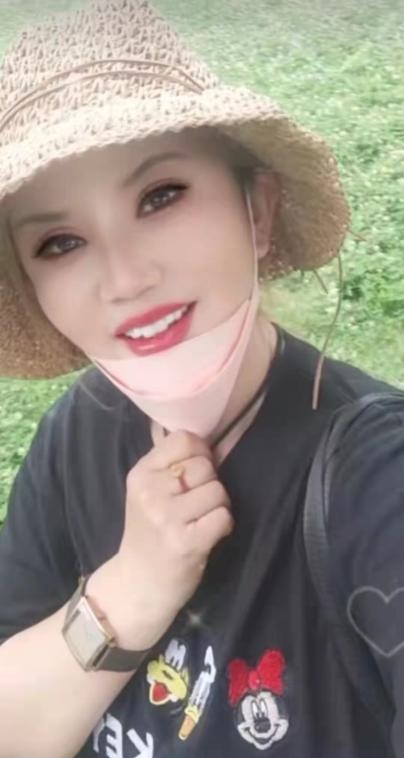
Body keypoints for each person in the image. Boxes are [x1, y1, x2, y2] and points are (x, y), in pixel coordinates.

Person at [0, 1, 402, 756]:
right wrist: (129, 590)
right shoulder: (74, 436)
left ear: (258, 210)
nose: (125, 278)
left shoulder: (376, 472)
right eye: (60, 242)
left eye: (160, 197)